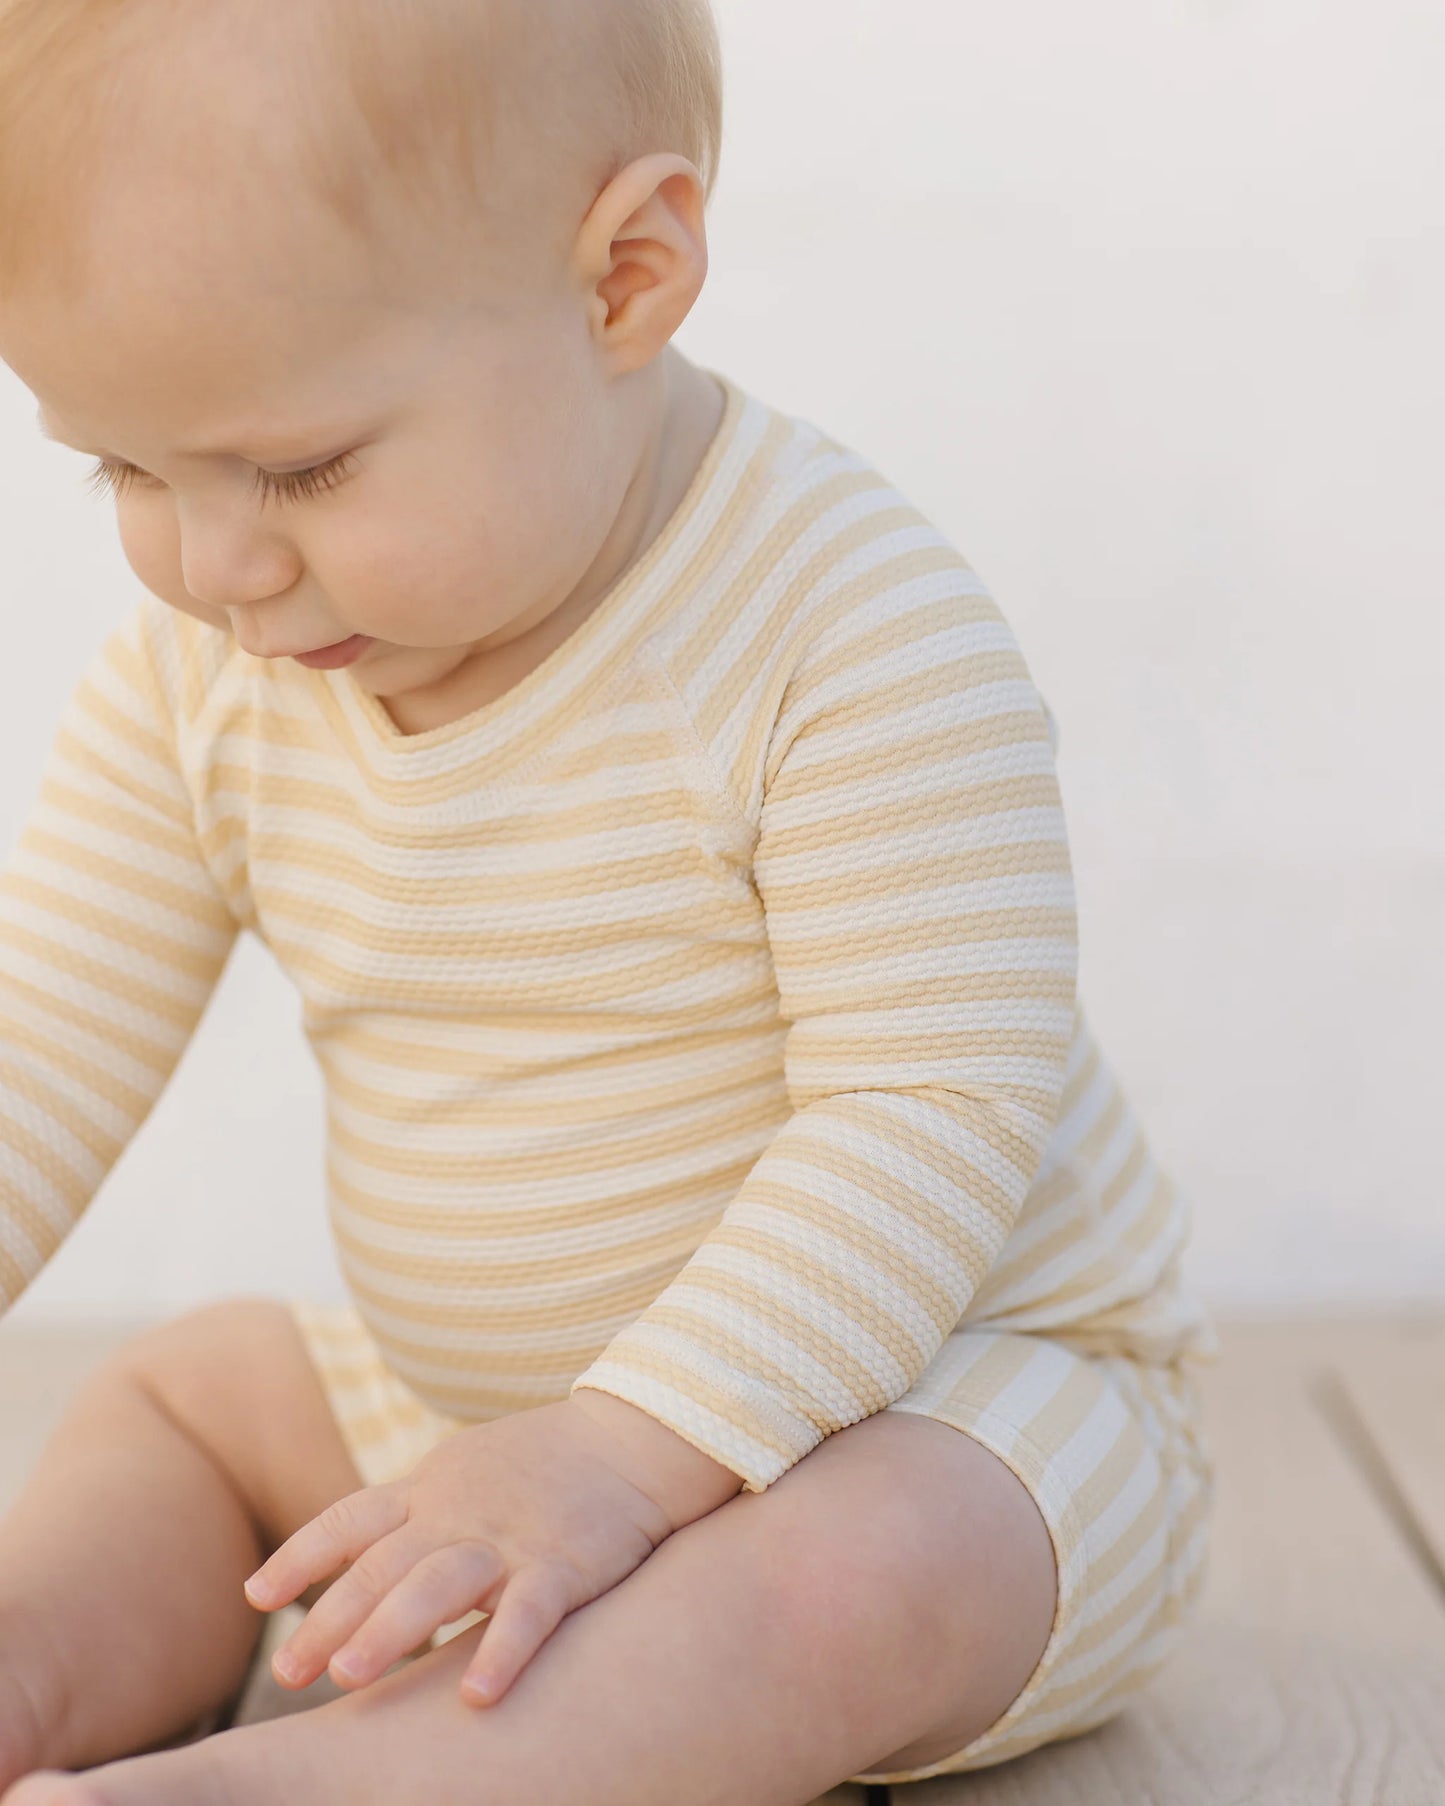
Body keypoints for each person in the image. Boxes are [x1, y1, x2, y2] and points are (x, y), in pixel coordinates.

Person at [0, 1, 1220, 1800]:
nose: (215, 563)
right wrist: (534, 1454)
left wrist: (619, 1452)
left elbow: (926, 1113)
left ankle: (319, 1781)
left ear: (626, 279)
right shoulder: (211, 678)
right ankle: (30, 1664)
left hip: (936, 1402)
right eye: (124, 467)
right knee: (190, 1392)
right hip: (478, 1426)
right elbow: (32, 1048)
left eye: (303, 465)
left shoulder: (848, 632)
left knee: (856, 1566)